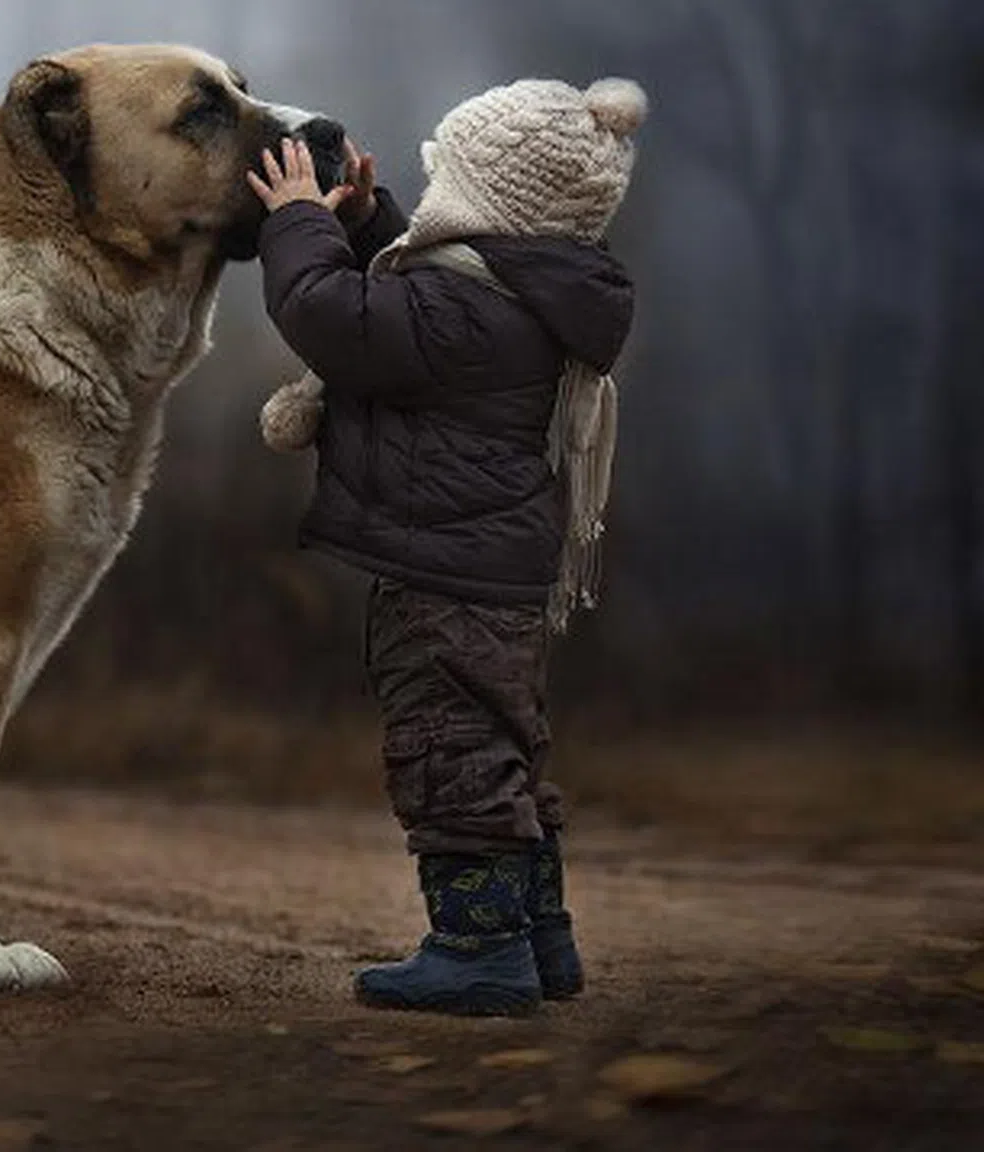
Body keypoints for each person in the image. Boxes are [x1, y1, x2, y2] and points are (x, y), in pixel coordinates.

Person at [247, 77, 646, 1015]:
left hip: (447, 577)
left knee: (449, 753)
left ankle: (478, 951)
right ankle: (539, 940)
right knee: (502, 749)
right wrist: (364, 218)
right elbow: (408, 293)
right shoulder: (514, 293)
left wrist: (298, 222)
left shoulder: (467, 315)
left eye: (445, 179)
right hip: (490, 569)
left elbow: (329, 315)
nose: (430, 200)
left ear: (491, 202)